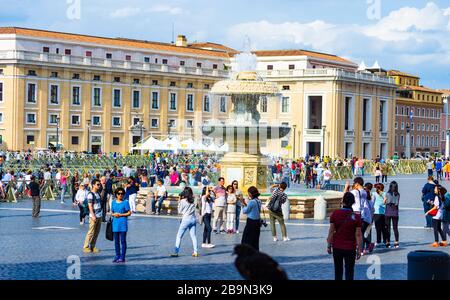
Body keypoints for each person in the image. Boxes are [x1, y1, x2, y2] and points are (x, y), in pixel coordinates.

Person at [327, 192, 362, 281]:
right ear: (353, 202)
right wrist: (359, 249)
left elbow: (331, 231)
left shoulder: (335, 214)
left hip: (337, 247)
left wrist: (328, 245)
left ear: (343, 202)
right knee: (349, 271)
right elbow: (358, 235)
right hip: (350, 248)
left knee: (338, 271)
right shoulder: (356, 217)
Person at [171, 187, 198, 257]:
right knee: (193, 236)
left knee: (179, 236)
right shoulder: (194, 199)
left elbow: (179, 211)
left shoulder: (183, 201)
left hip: (186, 219)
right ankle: (195, 252)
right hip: (193, 219)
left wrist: (179, 201)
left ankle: (176, 252)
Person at [111, 187, 131, 263]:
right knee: (116, 241)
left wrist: (121, 214)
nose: (120, 195)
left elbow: (129, 212)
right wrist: (114, 214)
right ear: (116, 194)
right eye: (119, 193)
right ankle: (117, 255)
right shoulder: (113, 202)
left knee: (123, 241)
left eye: (122, 194)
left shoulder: (125, 202)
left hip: (123, 224)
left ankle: (122, 257)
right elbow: (111, 212)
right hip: (115, 224)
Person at [82, 179, 103, 253]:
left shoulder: (98, 193)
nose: (99, 186)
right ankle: (85, 246)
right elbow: (90, 206)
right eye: (98, 184)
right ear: (93, 185)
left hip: (99, 215)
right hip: (93, 216)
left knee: (96, 232)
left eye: (99, 184)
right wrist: (93, 215)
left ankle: (92, 246)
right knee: (91, 232)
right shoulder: (90, 194)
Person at [241, 186, 262, 251]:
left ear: (250, 193)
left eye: (248, 193)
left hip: (251, 222)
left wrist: (242, 204)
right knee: (255, 239)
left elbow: (245, 211)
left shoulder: (251, 202)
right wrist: (245, 204)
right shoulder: (259, 201)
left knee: (247, 239)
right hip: (257, 222)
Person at [384, 181, 400, 248]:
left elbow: (385, 202)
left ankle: (388, 242)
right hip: (395, 212)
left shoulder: (387, 193)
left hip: (388, 212)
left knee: (388, 228)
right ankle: (396, 242)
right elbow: (397, 203)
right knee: (395, 228)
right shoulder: (398, 194)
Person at [372, 183, 387, 248]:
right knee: (384, 228)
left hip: (376, 212)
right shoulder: (385, 193)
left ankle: (378, 241)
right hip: (384, 212)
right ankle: (384, 240)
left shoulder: (374, 194)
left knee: (378, 228)